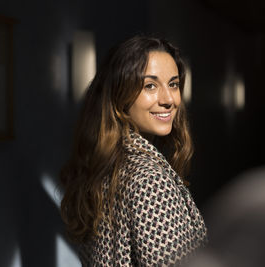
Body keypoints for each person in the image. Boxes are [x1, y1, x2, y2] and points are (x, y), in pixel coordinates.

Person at [60, 35, 207, 266]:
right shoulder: (150, 181)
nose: (169, 99)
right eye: (150, 85)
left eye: (173, 84)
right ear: (120, 95)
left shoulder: (105, 164)